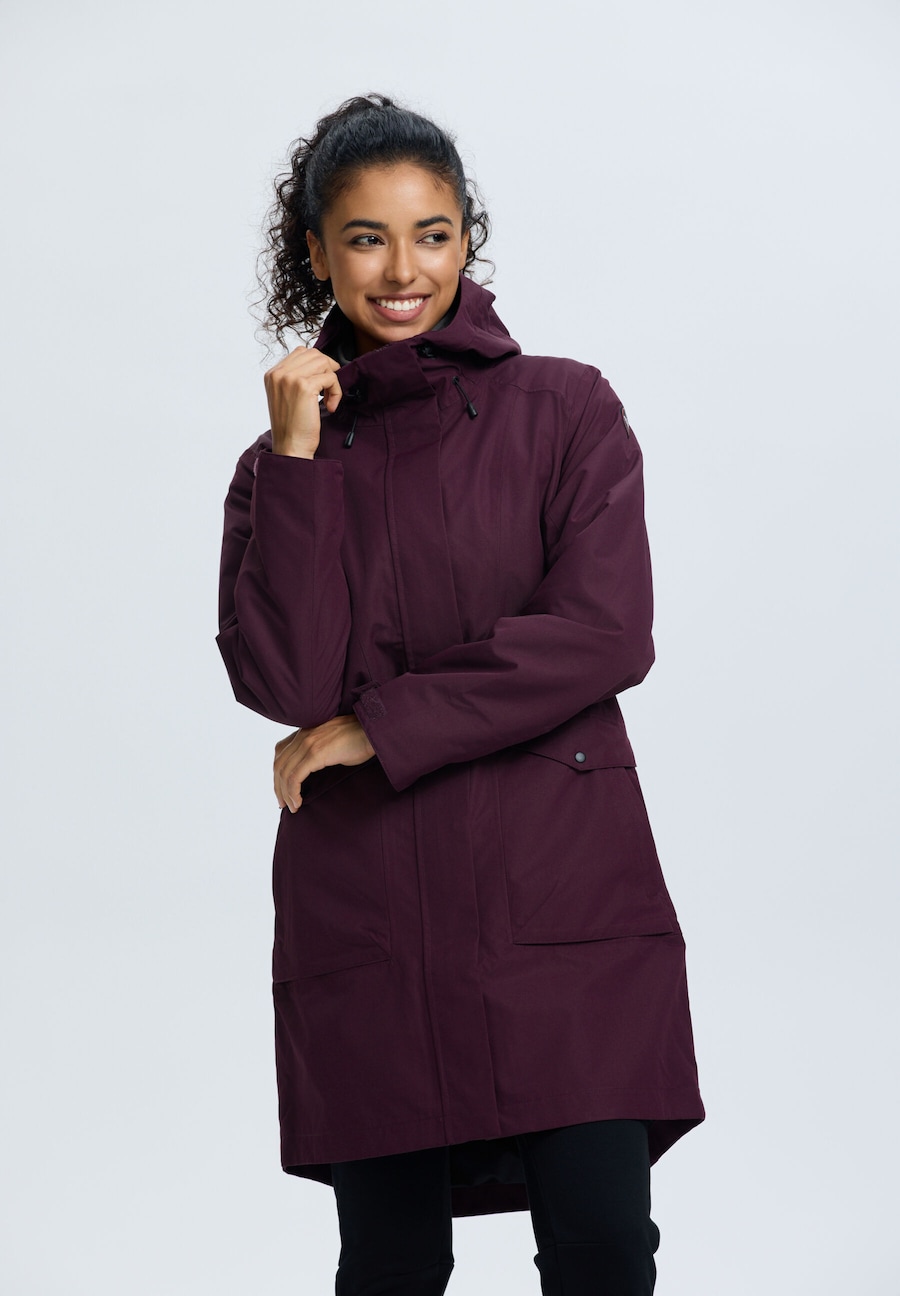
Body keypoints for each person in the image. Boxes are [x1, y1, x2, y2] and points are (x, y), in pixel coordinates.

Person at [216, 93, 704, 1296]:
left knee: (602, 1245)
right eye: (367, 238)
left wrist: (380, 725)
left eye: (431, 234)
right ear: (317, 253)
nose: (403, 271)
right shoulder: (277, 466)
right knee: (390, 1265)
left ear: (467, 239)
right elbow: (284, 679)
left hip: (558, 891)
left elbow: (603, 632)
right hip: (368, 901)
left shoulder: (566, 408)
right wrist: (296, 461)